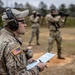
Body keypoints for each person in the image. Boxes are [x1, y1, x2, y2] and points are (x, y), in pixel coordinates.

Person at [0, 8, 46, 75]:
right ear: (13, 24)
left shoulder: (3, 37)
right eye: (22, 22)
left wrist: (25, 61)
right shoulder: (12, 45)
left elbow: (7, 61)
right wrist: (38, 68)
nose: (25, 25)